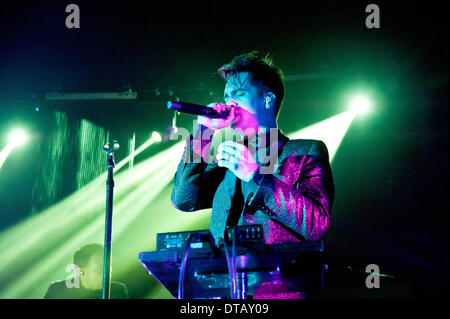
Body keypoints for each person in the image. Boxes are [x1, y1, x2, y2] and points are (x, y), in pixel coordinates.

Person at [170, 51, 334, 298]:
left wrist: (256, 177)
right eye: (226, 96)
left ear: (267, 99)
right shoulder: (227, 163)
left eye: (237, 94)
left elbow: (316, 223)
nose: (228, 104)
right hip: (224, 294)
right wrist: (203, 131)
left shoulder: (305, 152)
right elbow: (184, 199)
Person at [44, 243, 129, 299]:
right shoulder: (58, 290)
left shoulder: (118, 291)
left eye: (109, 268)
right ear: (80, 272)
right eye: (99, 270)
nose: (107, 275)